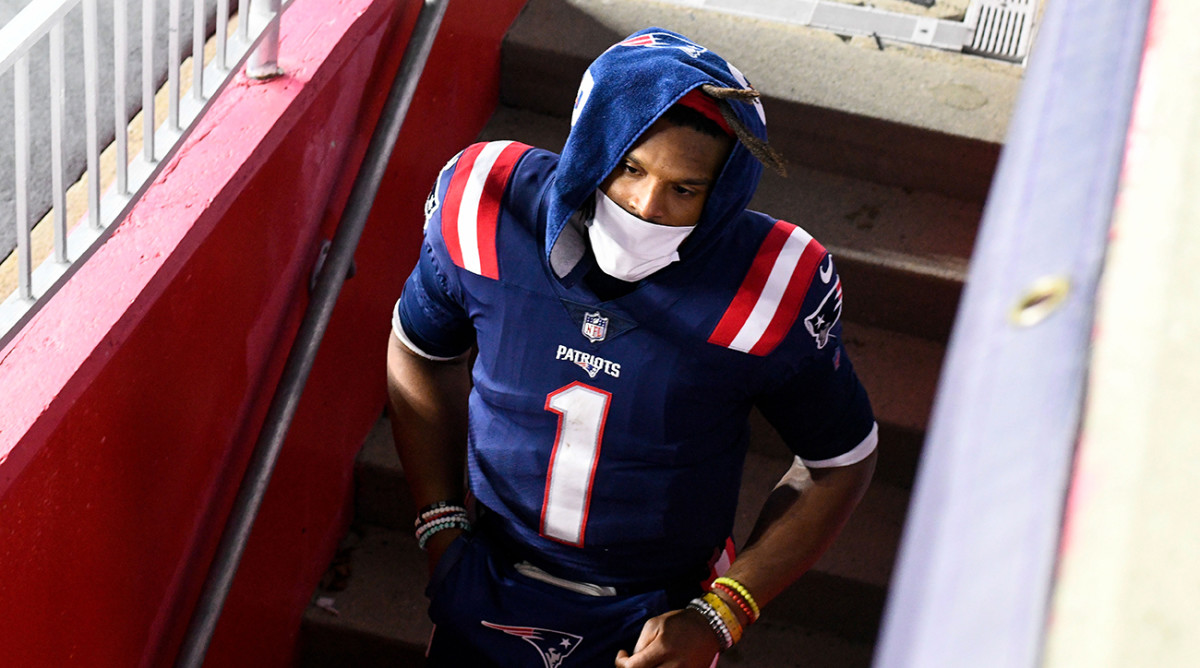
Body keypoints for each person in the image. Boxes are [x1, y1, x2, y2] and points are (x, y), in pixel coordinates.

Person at [386, 27, 878, 668]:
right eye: (629, 168)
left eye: (684, 189)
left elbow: (840, 460)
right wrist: (441, 523)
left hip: (661, 602)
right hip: (491, 562)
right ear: (590, 151)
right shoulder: (489, 204)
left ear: (723, 194)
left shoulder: (772, 285)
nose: (647, 207)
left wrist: (722, 612)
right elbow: (420, 353)